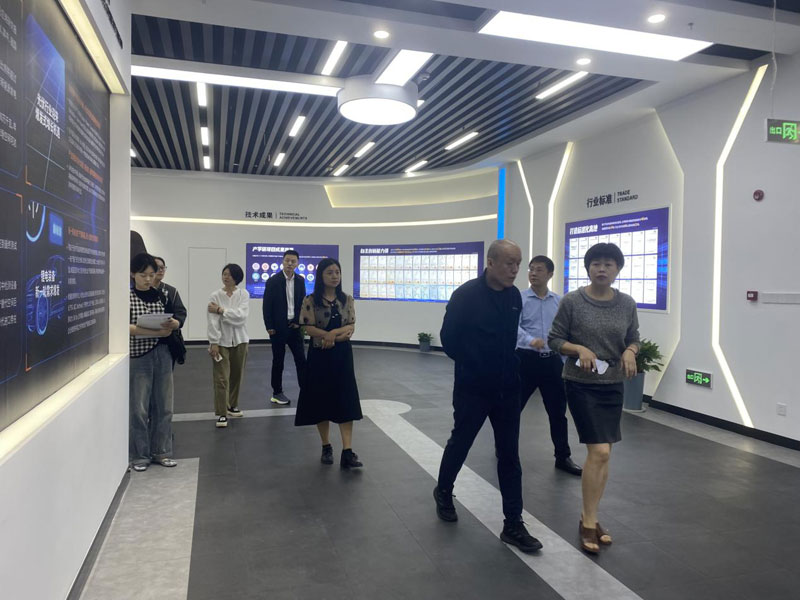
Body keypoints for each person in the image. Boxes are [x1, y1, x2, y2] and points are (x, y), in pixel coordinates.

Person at [433, 239, 543, 553]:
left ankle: (513, 524)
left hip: (508, 388)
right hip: (473, 388)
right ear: (490, 262)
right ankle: (443, 491)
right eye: (509, 263)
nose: (515, 270)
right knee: (461, 441)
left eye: (518, 263)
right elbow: (449, 340)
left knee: (509, 455)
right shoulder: (466, 295)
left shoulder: (514, 297)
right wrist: (476, 364)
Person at [547, 243, 640, 554]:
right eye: (596, 263)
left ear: (617, 269)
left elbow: (634, 338)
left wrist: (630, 351)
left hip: (613, 384)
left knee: (604, 455)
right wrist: (578, 349)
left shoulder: (626, 303)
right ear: (587, 268)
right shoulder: (573, 301)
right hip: (581, 383)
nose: (602, 269)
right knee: (598, 450)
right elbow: (555, 339)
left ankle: (591, 516)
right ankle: (588, 522)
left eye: (609, 264)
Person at [294, 258, 363, 469]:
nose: (335, 276)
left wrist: (332, 334)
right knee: (320, 400)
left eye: (337, 272)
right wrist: (330, 336)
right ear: (321, 276)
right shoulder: (310, 300)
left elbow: (351, 326)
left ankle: (347, 451)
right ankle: (326, 446)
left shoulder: (347, 299)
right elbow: (308, 328)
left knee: (345, 399)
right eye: (330, 273)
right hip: (320, 355)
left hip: (342, 356)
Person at [517, 256, 582, 476]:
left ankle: (562, 457)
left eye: (539, 270)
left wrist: (562, 358)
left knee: (558, 412)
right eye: (531, 269)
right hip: (525, 360)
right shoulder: (520, 299)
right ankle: (504, 447)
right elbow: (513, 327)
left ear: (550, 274)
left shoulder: (558, 301)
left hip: (552, 362)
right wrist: (529, 340)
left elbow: (564, 331)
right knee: (513, 409)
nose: (533, 273)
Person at [128, 253, 180, 472]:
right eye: (143, 275)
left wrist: (173, 324)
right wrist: (155, 331)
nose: (148, 279)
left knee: (164, 406)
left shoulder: (161, 295)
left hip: (163, 353)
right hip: (139, 356)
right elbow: (127, 327)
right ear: (133, 274)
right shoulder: (127, 297)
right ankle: (140, 455)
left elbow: (175, 318)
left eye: (151, 274)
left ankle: (162, 451)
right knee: (139, 408)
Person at [262, 250, 307, 405]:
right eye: (287, 260)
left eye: (293, 261)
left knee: (301, 360)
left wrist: (299, 321)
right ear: (282, 261)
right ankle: (277, 392)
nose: (290, 264)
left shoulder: (300, 281)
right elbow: (267, 306)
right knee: (278, 361)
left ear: (297, 264)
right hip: (278, 328)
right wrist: (269, 326)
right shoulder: (273, 281)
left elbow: (302, 303)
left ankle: (306, 391)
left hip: (295, 327)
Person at [207, 264, 250, 428]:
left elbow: (241, 317)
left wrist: (221, 311)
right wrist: (214, 342)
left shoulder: (243, 294)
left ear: (237, 278)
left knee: (237, 375)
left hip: (240, 340)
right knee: (221, 378)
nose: (226, 277)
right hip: (221, 342)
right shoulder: (215, 295)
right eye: (224, 274)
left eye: (229, 275)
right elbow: (213, 321)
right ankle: (222, 413)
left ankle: (232, 405)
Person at [153, 256, 187, 330]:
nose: (161, 270)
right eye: (157, 267)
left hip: (169, 332)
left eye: (162, 267)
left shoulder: (172, 291)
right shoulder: (142, 289)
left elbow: (181, 312)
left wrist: (177, 323)